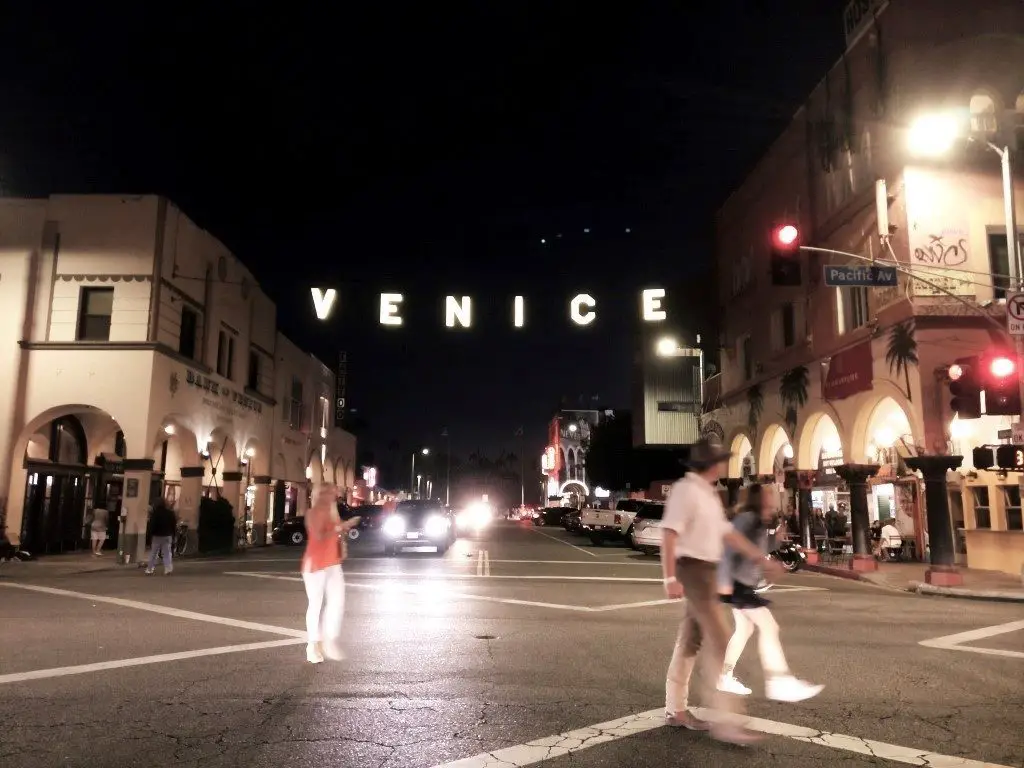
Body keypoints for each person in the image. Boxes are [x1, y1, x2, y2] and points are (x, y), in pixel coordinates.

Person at [662, 438, 784, 746]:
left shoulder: (708, 494)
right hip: (694, 570)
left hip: (708, 570)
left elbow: (726, 534)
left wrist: (760, 558)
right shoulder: (686, 490)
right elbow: (669, 533)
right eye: (720, 460)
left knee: (691, 640)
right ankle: (727, 723)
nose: (724, 465)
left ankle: (675, 709)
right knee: (720, 635)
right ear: (711, 464)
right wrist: (669, 578)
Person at [717, 483, 824, 702]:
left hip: (743, 583)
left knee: (744, 630)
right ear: (758, 499)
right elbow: (730, 545)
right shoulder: (747, 518)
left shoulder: (757, 521)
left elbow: (759, 547)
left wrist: (776, 539)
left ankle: (724, 675)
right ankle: (778, 680)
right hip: (738, 584)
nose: (773, 500)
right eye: (768, 496)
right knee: (769, 627)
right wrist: (725, 582)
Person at [302, 484, 360, 664]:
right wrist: (342, 526)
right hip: (315, 565)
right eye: (327, 494)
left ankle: (329, 640)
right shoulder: (312, 513)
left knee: (337, 601)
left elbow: (336, 534)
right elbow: (319, 535)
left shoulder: (332, 511)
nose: (332, 498)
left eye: (333, 495)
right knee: (316, 604)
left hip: (332, 563)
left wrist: (343, 534)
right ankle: (312, 645)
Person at [146, 500, 177, 575]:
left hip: (157, 536)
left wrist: (150, 534)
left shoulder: (155, 514)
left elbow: (152, 526)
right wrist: (173, 534)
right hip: (167, 535)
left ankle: (150, 569)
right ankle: (168, 569)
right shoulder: (170, 513)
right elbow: (173, 525)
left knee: (153, 553)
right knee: (167, 553)